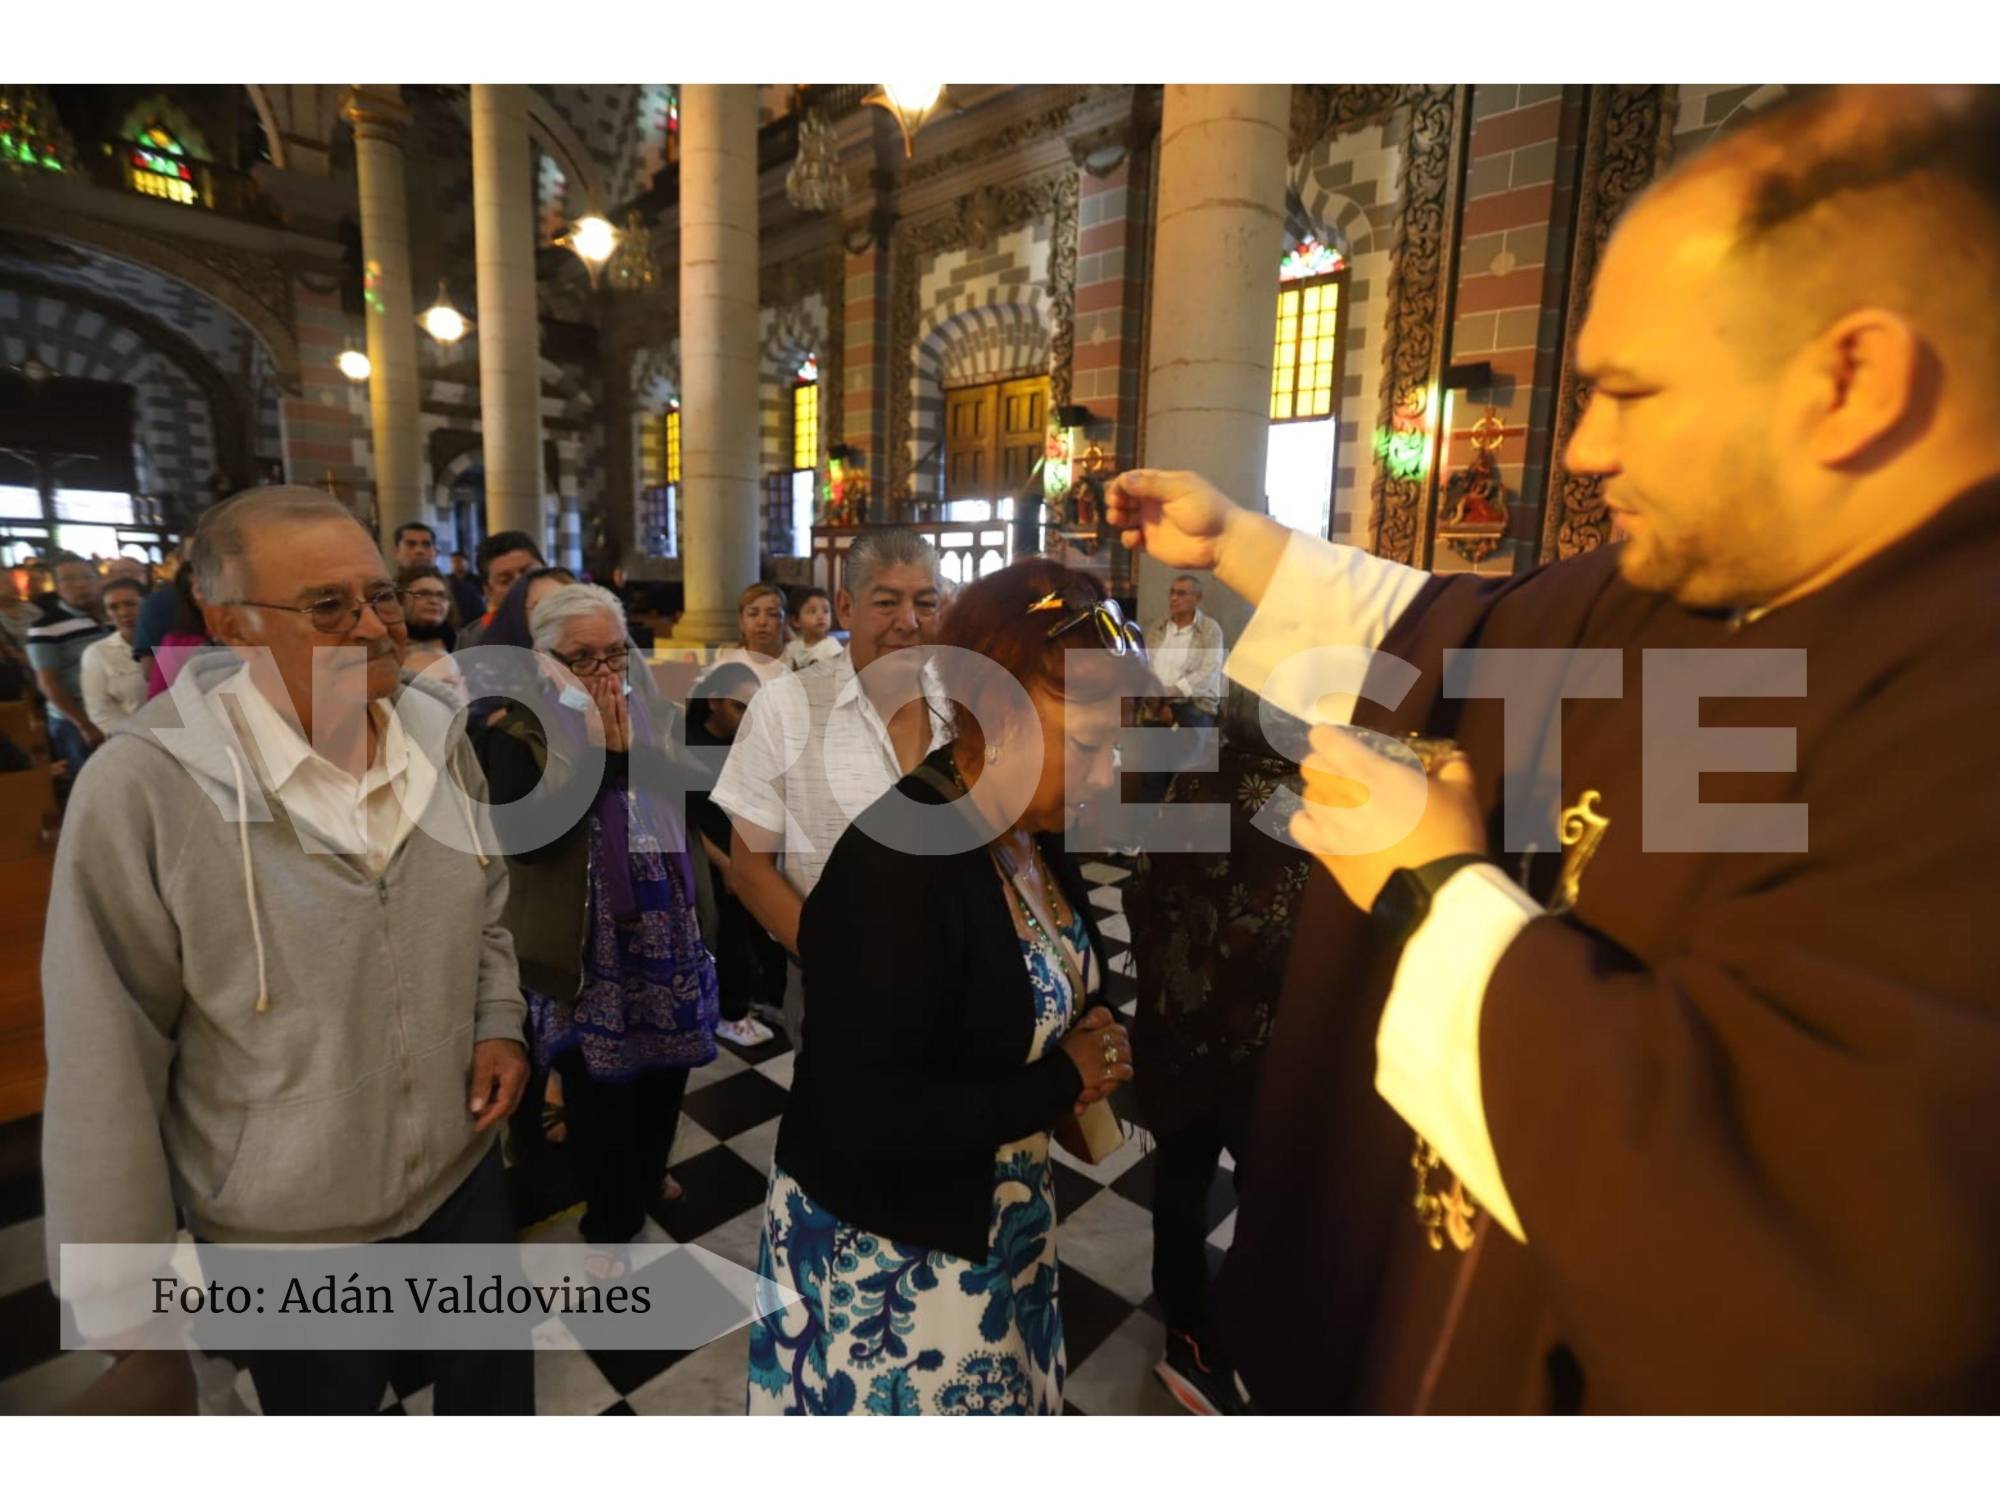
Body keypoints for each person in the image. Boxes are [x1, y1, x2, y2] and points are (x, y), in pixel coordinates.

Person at [1106, 85, 2000, 1414]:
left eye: (1630, 394)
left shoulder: (1952, 713)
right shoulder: (1682, 583)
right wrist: (1242, 541)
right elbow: (1458, 634)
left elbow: (1804, 1246)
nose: (1582, 451)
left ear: (1850, 381)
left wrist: (1427, 893)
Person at [40, 485, 532, 1415]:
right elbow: (107, 1048)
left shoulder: (433, 732)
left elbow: (487, 901)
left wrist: (497, 1018)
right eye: (327, 606)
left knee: (493, 1406)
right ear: (233, 624)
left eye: (380, 595)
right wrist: (122, 1297)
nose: (374, 627)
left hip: (461, 1173)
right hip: (286, 1220)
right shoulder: (146, 789)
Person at [747, 558, 1141, 1415]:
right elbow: (866, 1116)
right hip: (895, 1262)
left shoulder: (1028, 836)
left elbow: (1035, 980)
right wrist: (1060, 1078)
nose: (1107, 774)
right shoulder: (896, 861)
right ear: (992, 716)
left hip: (998, 1224)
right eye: (1085, 744)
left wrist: (1080, 1038)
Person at [475, 583, 718, 1249]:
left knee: (667, 1074)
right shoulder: (514, 727)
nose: (607, 672)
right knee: (598, 1094)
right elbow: (528, 841)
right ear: (544, 660)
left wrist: (638, 752)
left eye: (616, 653)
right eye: (584, 658)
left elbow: (691, 798)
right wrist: (591, 757)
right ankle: (611, 1219)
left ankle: (644, 1175)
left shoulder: (654, 712)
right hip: (588, 947)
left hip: (668, 931)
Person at [1124, 725, 1310, 1416]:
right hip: (1262, 1051)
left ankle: (1185, 1320)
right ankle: (1245, 1333)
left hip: (1176, 1025)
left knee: (1179, 1178)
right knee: (1268, 1197)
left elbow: (1139, 891)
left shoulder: (1189, 777)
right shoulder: (1315, 803)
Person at [712, 530, 950, 1051]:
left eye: (925, 603)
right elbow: (750, 869)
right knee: (845, 1125)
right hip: (833, 977)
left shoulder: (966, 706)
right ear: (845, 606)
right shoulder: (786, 706)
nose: (908, 622)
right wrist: (833, 962)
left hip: (959, 972)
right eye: (886, 602)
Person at [685, 662, 781, 1048]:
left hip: (749, 853)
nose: (749, 718)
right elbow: (688, 818)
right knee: (728, 936)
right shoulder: (688, 747)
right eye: (740, 708)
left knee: (762, 931)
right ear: (714, 703)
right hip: (712, 859)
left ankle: (763, 996)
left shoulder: (747, 745)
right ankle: (730, 1013)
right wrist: (726, 864)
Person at [25, 553, 111, 772]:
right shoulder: (45, 627)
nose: (80, 584)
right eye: (69, 579)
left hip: (115, 711)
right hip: (75, 720)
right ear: (56, 586)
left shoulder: (114, 616)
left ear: (98, 580)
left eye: (87, 577)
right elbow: (48, 684)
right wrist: (84, 725)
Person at [78, 576, 149, 734]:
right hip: (135, 738)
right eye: (114, 607)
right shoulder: (97, 653)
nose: (124, 612)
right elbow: (101, 711)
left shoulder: (170, 643)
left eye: (131, 604)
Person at [456, 530, 546, 651]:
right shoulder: (473, 640)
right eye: (505, 580)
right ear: (488, 592)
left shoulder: (576, 616)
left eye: (530, 573)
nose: (521, 584)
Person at [144, 565, 215, 701]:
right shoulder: (176, 643)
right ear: (190, 597)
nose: (214, 594)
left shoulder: (251, 628)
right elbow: (158, 700)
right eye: (203, 589)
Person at [712, 581, 790, 683]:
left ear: (785, 621)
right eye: (753, 614)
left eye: (772, 614)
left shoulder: (803, 663)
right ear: (741, 621)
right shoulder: (724, 668)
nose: (762, 622)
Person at [780, 586, 842, 672]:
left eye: (826, 611)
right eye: (812, 611)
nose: (821, 616)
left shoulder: (832, 648)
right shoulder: (793, 647)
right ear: (796, 620)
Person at [447, 552, 486, 624]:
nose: (456, 564)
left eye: (458, 561)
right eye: (453, 562)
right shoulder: (447, 580)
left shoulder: (476, 580)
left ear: (467, 562)